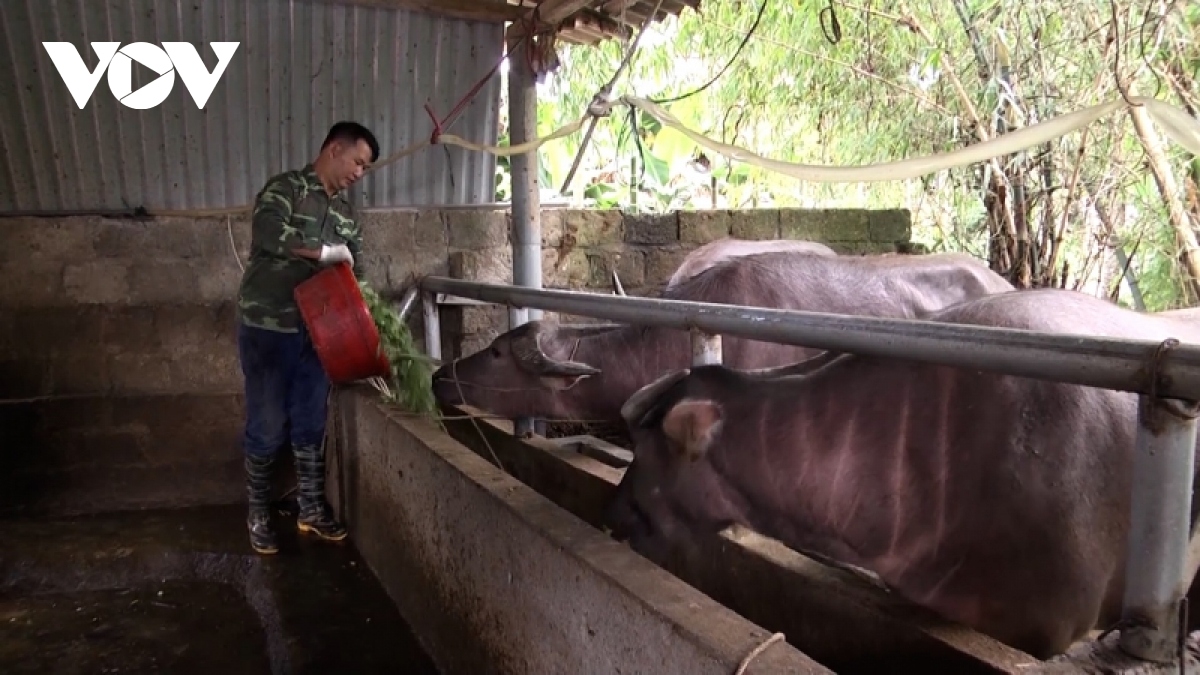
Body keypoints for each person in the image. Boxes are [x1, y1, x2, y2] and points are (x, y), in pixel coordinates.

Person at [235, 121, 381, 555]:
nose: (360, 172)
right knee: (266, 423)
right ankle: (258, 512)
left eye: (366, 167)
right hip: (267, 326)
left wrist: (371, 318)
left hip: (320, 334)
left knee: (310, 421)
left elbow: (360, 275)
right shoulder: (286, 190)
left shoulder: (346, 217)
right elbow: (268, 234)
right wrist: (322, 253)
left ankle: (311, 509)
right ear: (334, 149)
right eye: (358, 161)